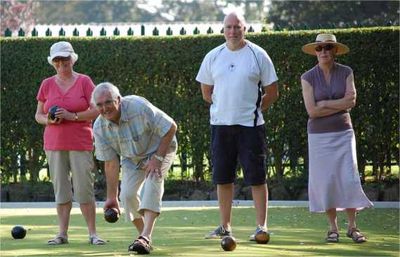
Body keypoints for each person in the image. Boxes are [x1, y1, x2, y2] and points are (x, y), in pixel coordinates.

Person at [196, 12, 279, 242]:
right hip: (221, 127)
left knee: (257, 178)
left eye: (237, 27)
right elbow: (206, 93)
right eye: (229, 27)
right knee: (223, 178)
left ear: (245, 29)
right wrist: (225, 108)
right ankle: (225, 227)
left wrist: (254, 110)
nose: (233, 31)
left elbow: (272, 92)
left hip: (251, 127)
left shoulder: (258, 54)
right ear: (223, 29)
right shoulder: (213, 56)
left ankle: (262, 227)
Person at [301, 33, 373, 243]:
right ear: (315, 51)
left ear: (335, 50)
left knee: (348, 178)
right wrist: (334, 104)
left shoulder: (346, 72)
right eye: (320, 48)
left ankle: (352, 227)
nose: (324, 51)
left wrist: (324, 104)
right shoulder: (307, 77)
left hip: (343, 133)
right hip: (318, 137)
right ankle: (332, 228)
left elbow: (351, 101)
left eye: (328, 47)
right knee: (327, 181)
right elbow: (312, 111)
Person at [91, 82, 177, 254]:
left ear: (118, 100)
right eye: (99, 105)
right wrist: (111, 197)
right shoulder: (99, 127)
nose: (105, 108)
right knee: (127, 195)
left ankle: (145, 237)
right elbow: (111, 163)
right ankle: (143, 236)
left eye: (108, 102)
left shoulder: (139, 107)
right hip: (132, 158)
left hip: (160, 148)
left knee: (152, 183)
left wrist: (157, 159)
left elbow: (171, 127)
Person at [35, 41, 105, 245]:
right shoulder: (46, 84)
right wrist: (49, 119)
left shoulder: (84, 81)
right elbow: (38, 115)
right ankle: (62, 234)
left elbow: (96, 109)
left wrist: (72, 116)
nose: (61, 63)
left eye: (65, 59)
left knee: (84, 188)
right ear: (53, 62)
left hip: (80, 141)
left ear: (72, 59)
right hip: (54, 143)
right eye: (57, 60)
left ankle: (93, 234)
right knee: (61, 190)